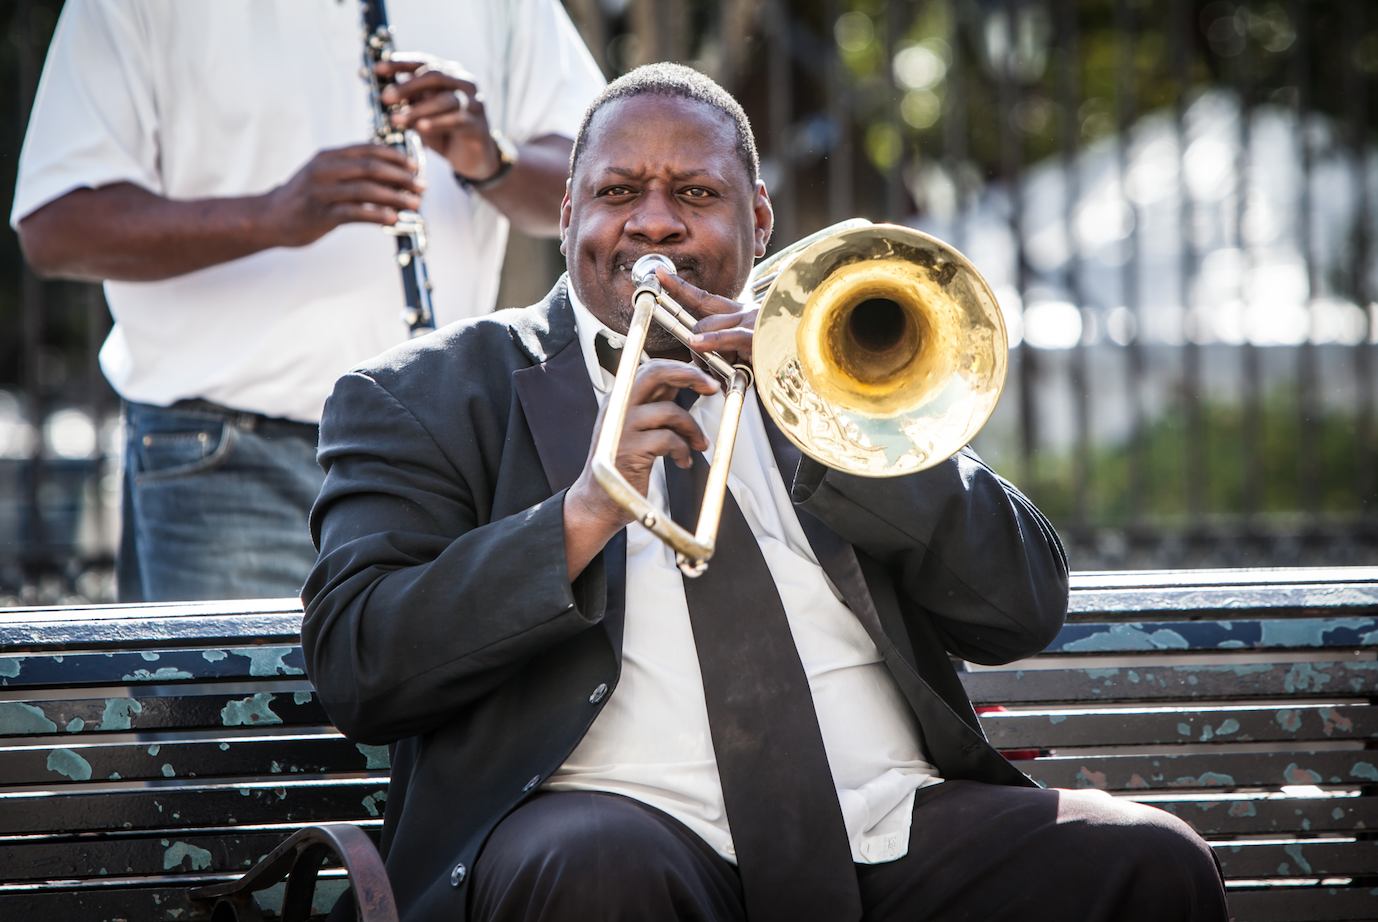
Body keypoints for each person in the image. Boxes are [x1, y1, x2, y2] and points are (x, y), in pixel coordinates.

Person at [302, 64, 1228, 922]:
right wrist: (582, 511)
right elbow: (360, 665)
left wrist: (840, 423)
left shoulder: (835, 375)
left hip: (888, 825)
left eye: (696, 195)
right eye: (619, 193)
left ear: (760, 220)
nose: (655, 223)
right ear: (569, 209)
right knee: (597, 864)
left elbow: (1022, 609)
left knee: (1149, 860)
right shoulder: (418, 395)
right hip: (609, 824)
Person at [11, 0, 605, 602]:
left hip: (443, 444)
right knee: (239, 698)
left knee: (440, 690)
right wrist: (269, 216)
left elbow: (597, 180)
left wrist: (492, 158)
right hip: (229, 457)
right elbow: (55, 226)